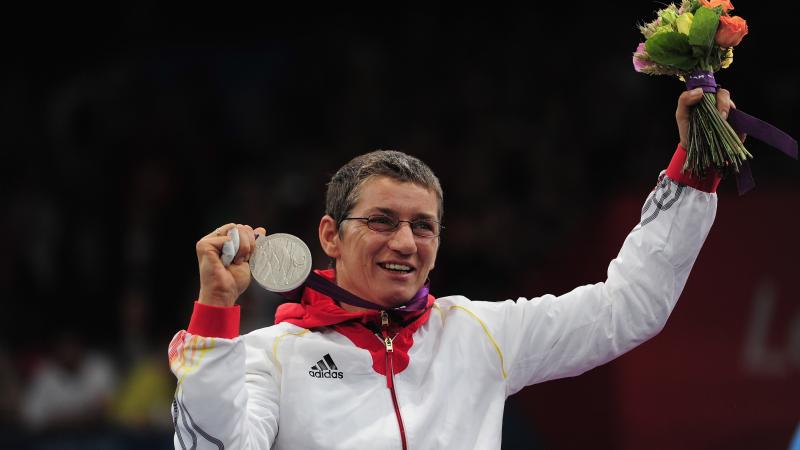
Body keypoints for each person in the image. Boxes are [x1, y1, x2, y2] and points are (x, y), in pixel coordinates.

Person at [169, 88, 733, 449]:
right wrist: (216, 314)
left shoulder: (480, 333)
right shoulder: (272, 354)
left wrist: (693, 175)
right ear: (330, 236)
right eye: (383, 221)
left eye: (423, 226)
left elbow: (627, 308)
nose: (406, 242)